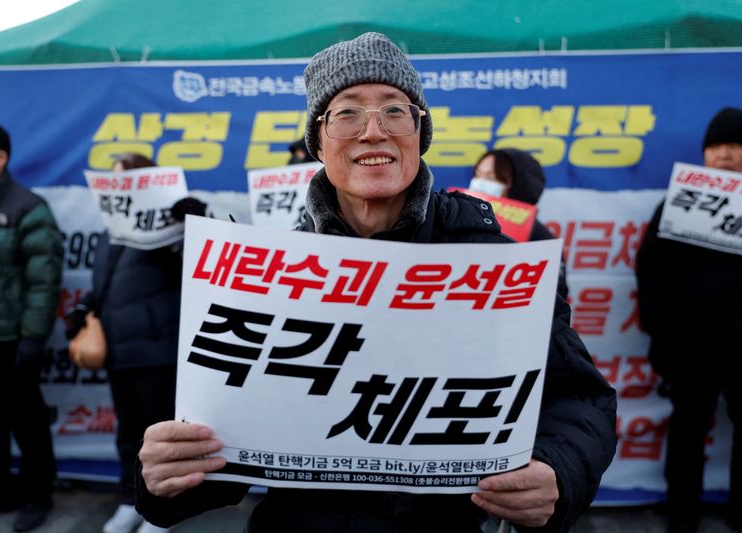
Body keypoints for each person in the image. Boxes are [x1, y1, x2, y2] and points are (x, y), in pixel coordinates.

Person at [135, 32, 617, 533]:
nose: (373, 132)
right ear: (318, 141)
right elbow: (218, 444)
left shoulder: (490, 261)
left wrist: (558, 470)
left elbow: (580, 399)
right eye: (347, 113)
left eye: (394, 110)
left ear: (418, 132)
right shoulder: (271, 273)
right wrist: (167, 474)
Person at [635, 108, 742, 533]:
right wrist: (661, 335)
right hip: (691, 344)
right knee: (687, 431)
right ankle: (681, 512)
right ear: (704, 155)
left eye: (735, 146)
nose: (724, 155)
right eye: (716, 147)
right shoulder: (677, 204)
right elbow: (651, 273)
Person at [64, 153, 205, 533]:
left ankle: (163, 509)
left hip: (157, 350)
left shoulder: (173, 228)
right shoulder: (110, 234)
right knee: (128, 433)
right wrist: (84, 308)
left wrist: (191, 219)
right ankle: (131, 499)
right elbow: (104, 286)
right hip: (117, 349)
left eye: (125, 180)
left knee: (161, 433)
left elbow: (196, 259)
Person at [0, 122, 63, 532]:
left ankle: (37, 494)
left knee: (26, 420)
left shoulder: (28, 207)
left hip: (12, 338)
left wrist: (33, 336)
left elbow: (44, 281)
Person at [470, 148, 568, 300]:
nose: (480, 184)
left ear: (518, 184)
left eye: (492, 178)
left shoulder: (540, 237)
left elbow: (556, 295)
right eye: (478, 175)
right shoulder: (462, 221)